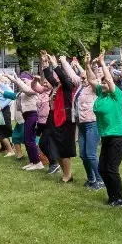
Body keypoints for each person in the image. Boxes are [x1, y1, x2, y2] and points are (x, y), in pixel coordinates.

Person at [87, 54, 122, 207]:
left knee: (111, 169)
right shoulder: (101, 93)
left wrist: (102, 63)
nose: (103, 83)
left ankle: (121, 199)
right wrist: (87, 65)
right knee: (102, 168)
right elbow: (92, 80)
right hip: (106, 137)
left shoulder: (116, 95)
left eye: (105, 82)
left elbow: (110, 80)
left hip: (118, 137)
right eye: (102, 82)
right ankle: (112, 196)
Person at [65, 56, 103, 190]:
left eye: (84, 77)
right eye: (81, 77)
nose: (82, 79)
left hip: (92, 123)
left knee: (91, 154)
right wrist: (63, 61)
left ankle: (100, 180)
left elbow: (93, 75)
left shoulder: (94, 87)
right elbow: (71, 74)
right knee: (83, 154)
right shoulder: (80, 86)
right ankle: (91, 179)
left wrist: (91, 65)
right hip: (81, 124)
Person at [42, 52, 78, 182]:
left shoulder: (69, 85)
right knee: (54, 148)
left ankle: (67, 175)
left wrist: (55, 63)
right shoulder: (58, 86)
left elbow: (62, 76)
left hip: (66, 120)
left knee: (65, 149)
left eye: (59, 75)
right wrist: (45, 62)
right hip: (55, 119)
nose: (56, 77)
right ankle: (65, 173)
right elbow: (48, 75)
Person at [7, 71, 45, 171]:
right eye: (21, 79)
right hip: (26, 115)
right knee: (27, 139)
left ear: (30, 80)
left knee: (30, 140)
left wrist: (15, 80)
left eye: (24, 80)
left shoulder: (34, 88)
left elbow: (26, 90)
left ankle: (38, 162)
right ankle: (33, 161)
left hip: (32, 115)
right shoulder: (22, 90)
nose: (22, 82)